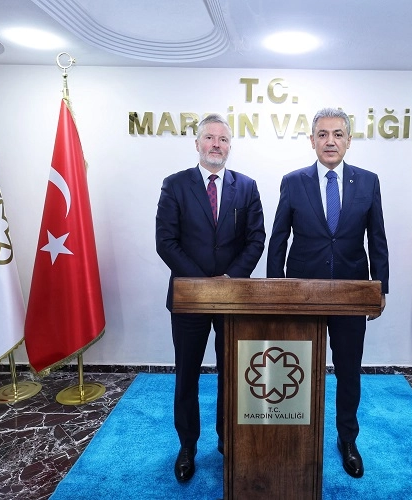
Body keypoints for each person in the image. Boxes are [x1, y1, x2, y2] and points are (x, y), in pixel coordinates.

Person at [266, 107, 388, 479]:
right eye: (322, 134)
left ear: (348, 140)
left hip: (351, 294)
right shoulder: (293, 182)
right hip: (301, 294)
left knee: (348, 371)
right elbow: (278, 239)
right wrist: (275, 289)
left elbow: (377, 238)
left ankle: (347, 439)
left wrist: (379, 288)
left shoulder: (368, 181)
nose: (330, 141)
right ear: (312, 141)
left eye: (337, 134)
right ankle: (294, 435)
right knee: (298, 369)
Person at [155, 113, 265, 483]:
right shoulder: (175, 184)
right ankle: (187, 446)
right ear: (197, 143)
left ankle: (227, 440)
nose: (216, 144)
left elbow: (256, 239)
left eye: (223, 139)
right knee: (186, 373)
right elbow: (165, 241)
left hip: (233, 297)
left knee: (231, 374)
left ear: (230, 145)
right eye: (210, 138)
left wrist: (229, 279)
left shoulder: (246, 186)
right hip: (189, 297)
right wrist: (204, 283)